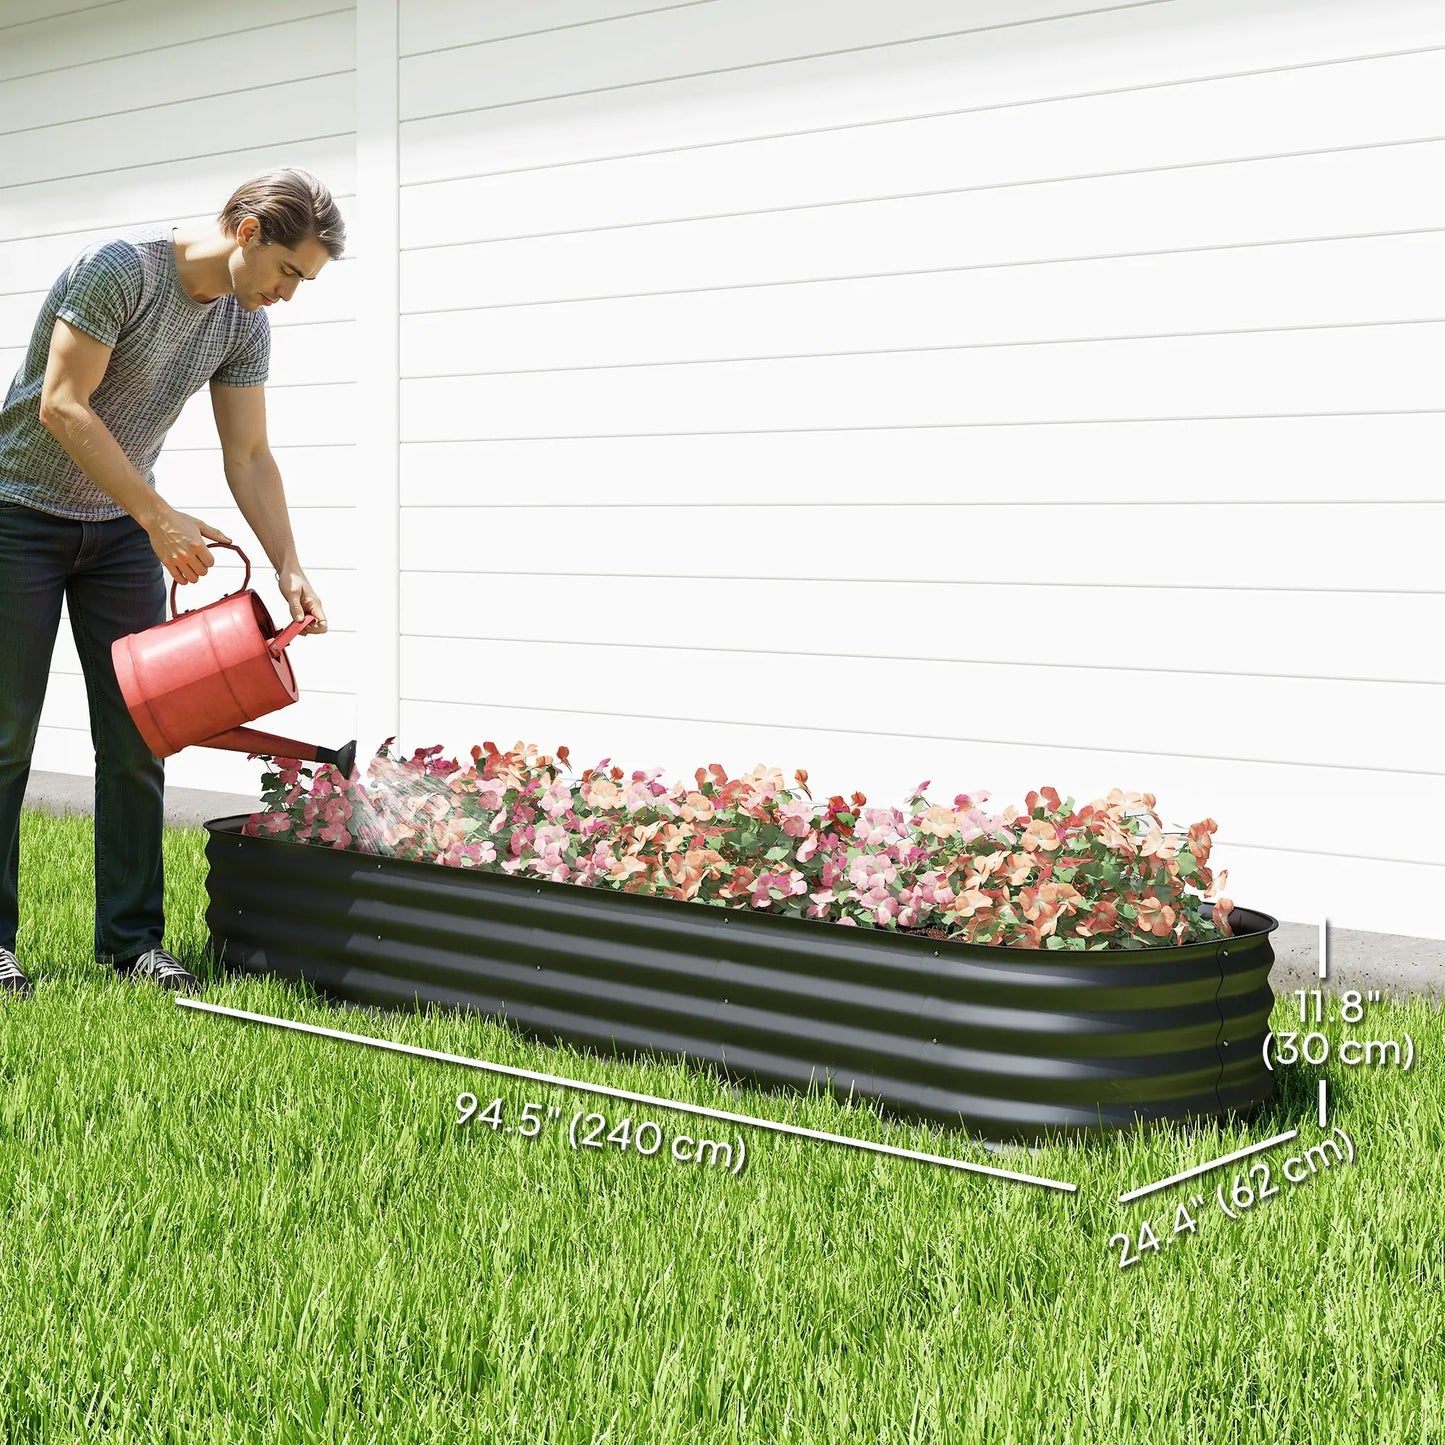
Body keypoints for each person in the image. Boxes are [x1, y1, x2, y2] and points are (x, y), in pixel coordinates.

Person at [0, 168, 344, 999]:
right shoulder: (122, 270)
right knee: (5, 738)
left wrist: (290, 560)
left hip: (119, 535)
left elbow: (249, 455)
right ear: (250, 231)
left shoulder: (242, 322)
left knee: (136, 740)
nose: (288, 296)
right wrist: (159, 516)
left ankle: (130, 943)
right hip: (18, 516)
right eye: (289, 272)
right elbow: (63, 405)